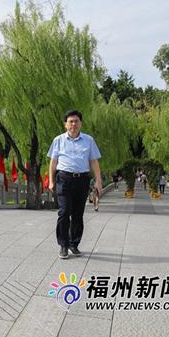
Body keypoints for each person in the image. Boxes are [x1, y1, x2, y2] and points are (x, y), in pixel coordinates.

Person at [48, 110, 102, 259]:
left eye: (76, 121)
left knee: (78, 214)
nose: (73, 124)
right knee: (64, 212)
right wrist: (51, 181)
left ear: (81, 123)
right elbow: (53, 162)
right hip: (64, 178)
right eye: (70, 121)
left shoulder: (88, 140)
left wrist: (98, 180)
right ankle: (63, 245)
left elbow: (93, 161)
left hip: (82, 179)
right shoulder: (58, 140)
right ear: (66, 124)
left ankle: (74, 244)